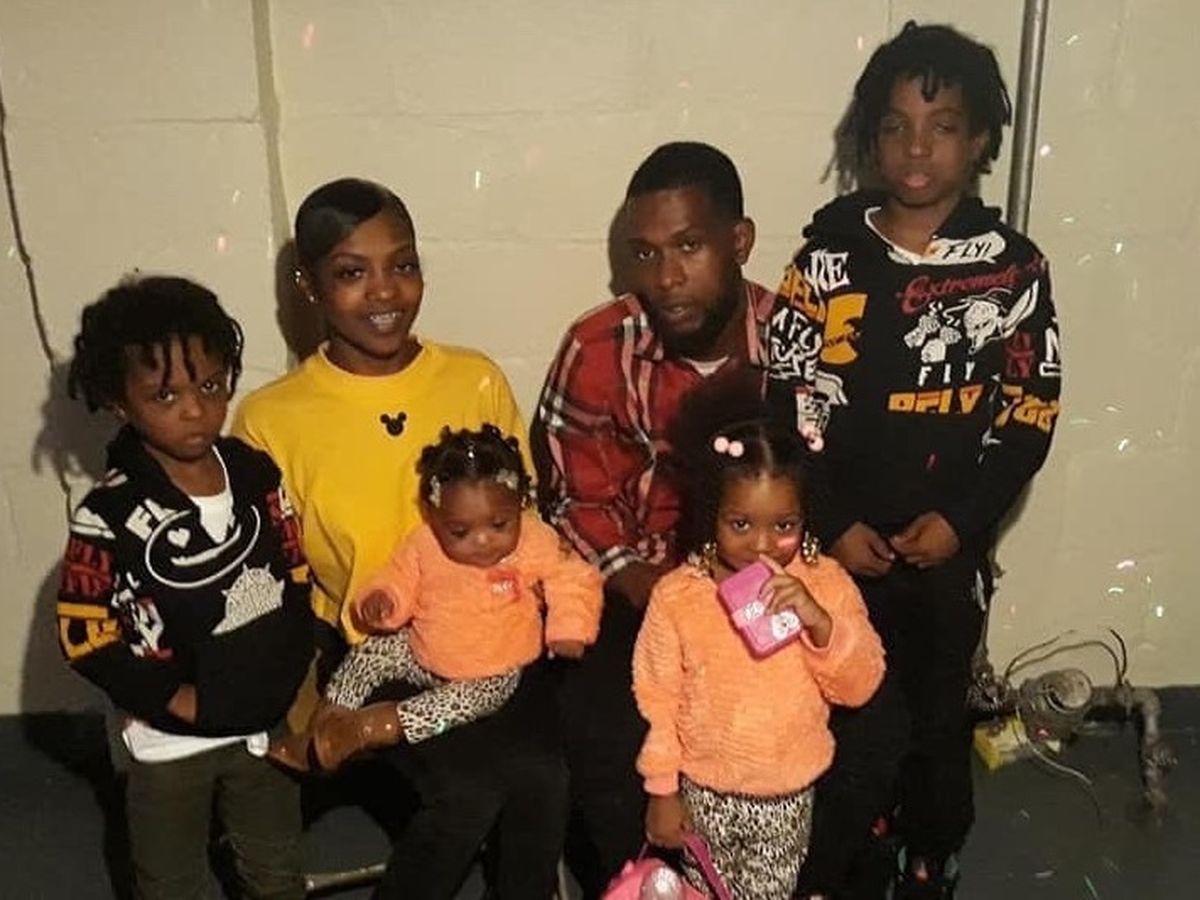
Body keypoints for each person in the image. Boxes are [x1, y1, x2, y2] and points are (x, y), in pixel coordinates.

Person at [767, 22, 1061, 899]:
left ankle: (931, 850)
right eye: (895, 126)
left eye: (942, 126)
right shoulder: (824, 262)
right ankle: (847, 847)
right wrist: (830, 522)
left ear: (980, 142)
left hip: (944, 548)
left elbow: (1028, 415)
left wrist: (962, 522)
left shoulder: (1014, 271)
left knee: (935, 714)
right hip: (839, 545)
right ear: (870, 138)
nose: (917, 146)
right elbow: (787, 403)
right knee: (843, 706)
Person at [233, 177, 568, 899]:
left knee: (545, 778)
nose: (385, 291)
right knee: (470, 792)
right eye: (352, 272)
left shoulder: (473, 380)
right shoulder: (271, 419)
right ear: (309, 285)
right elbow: (269, 576)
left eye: (403, 265)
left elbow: (525, 520)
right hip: (375, 650)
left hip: (492, 635)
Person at [532, 142, 779, 896]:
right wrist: (639, 582)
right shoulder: (599, 344)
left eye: (689, 247)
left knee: (825, 728)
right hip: (637, 584)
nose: (665, 277)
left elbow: (821, 489)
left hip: (761, 582)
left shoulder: (794, 342)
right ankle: (639, 882)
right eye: (645, 254)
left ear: (739, 242)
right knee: (600, 728)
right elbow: (575, 497)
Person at [56, 276, 313, 899]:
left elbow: (295, 570)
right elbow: (84, 635)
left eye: (210, 385)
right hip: (168, 745)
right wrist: (170, 697)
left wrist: (295, 667)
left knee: (276, 871)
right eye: (164, 395)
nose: (195, 409)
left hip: (263, 726)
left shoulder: (254, 472)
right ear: (119, 402)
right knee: (171, 882)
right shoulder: (108, 514)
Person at [634, 373, 885, 899]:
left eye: (784, 525)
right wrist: (662, 789)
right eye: (741, 524)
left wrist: (819, 623)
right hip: (703, 788)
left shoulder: (826, 584)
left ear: (806, 517)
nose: (763, 545)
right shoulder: (679, 596)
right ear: (712, 515)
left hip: (784, 794)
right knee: (702, 890)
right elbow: (658, 698)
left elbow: (860, 685)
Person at [270, 424, 603, 773]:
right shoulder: (424, 544)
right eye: (460, 531)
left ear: (520, 505)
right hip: (423, 649)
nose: (482, 541)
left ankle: (374, 727)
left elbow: (574, 578)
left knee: (460, 703)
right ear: (434, 516)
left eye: (499, 525)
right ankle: (327, 720)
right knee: (370, 653)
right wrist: (382, 600)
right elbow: (399, 578)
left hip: (490, 670)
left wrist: (569, 627)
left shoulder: (536, 541)